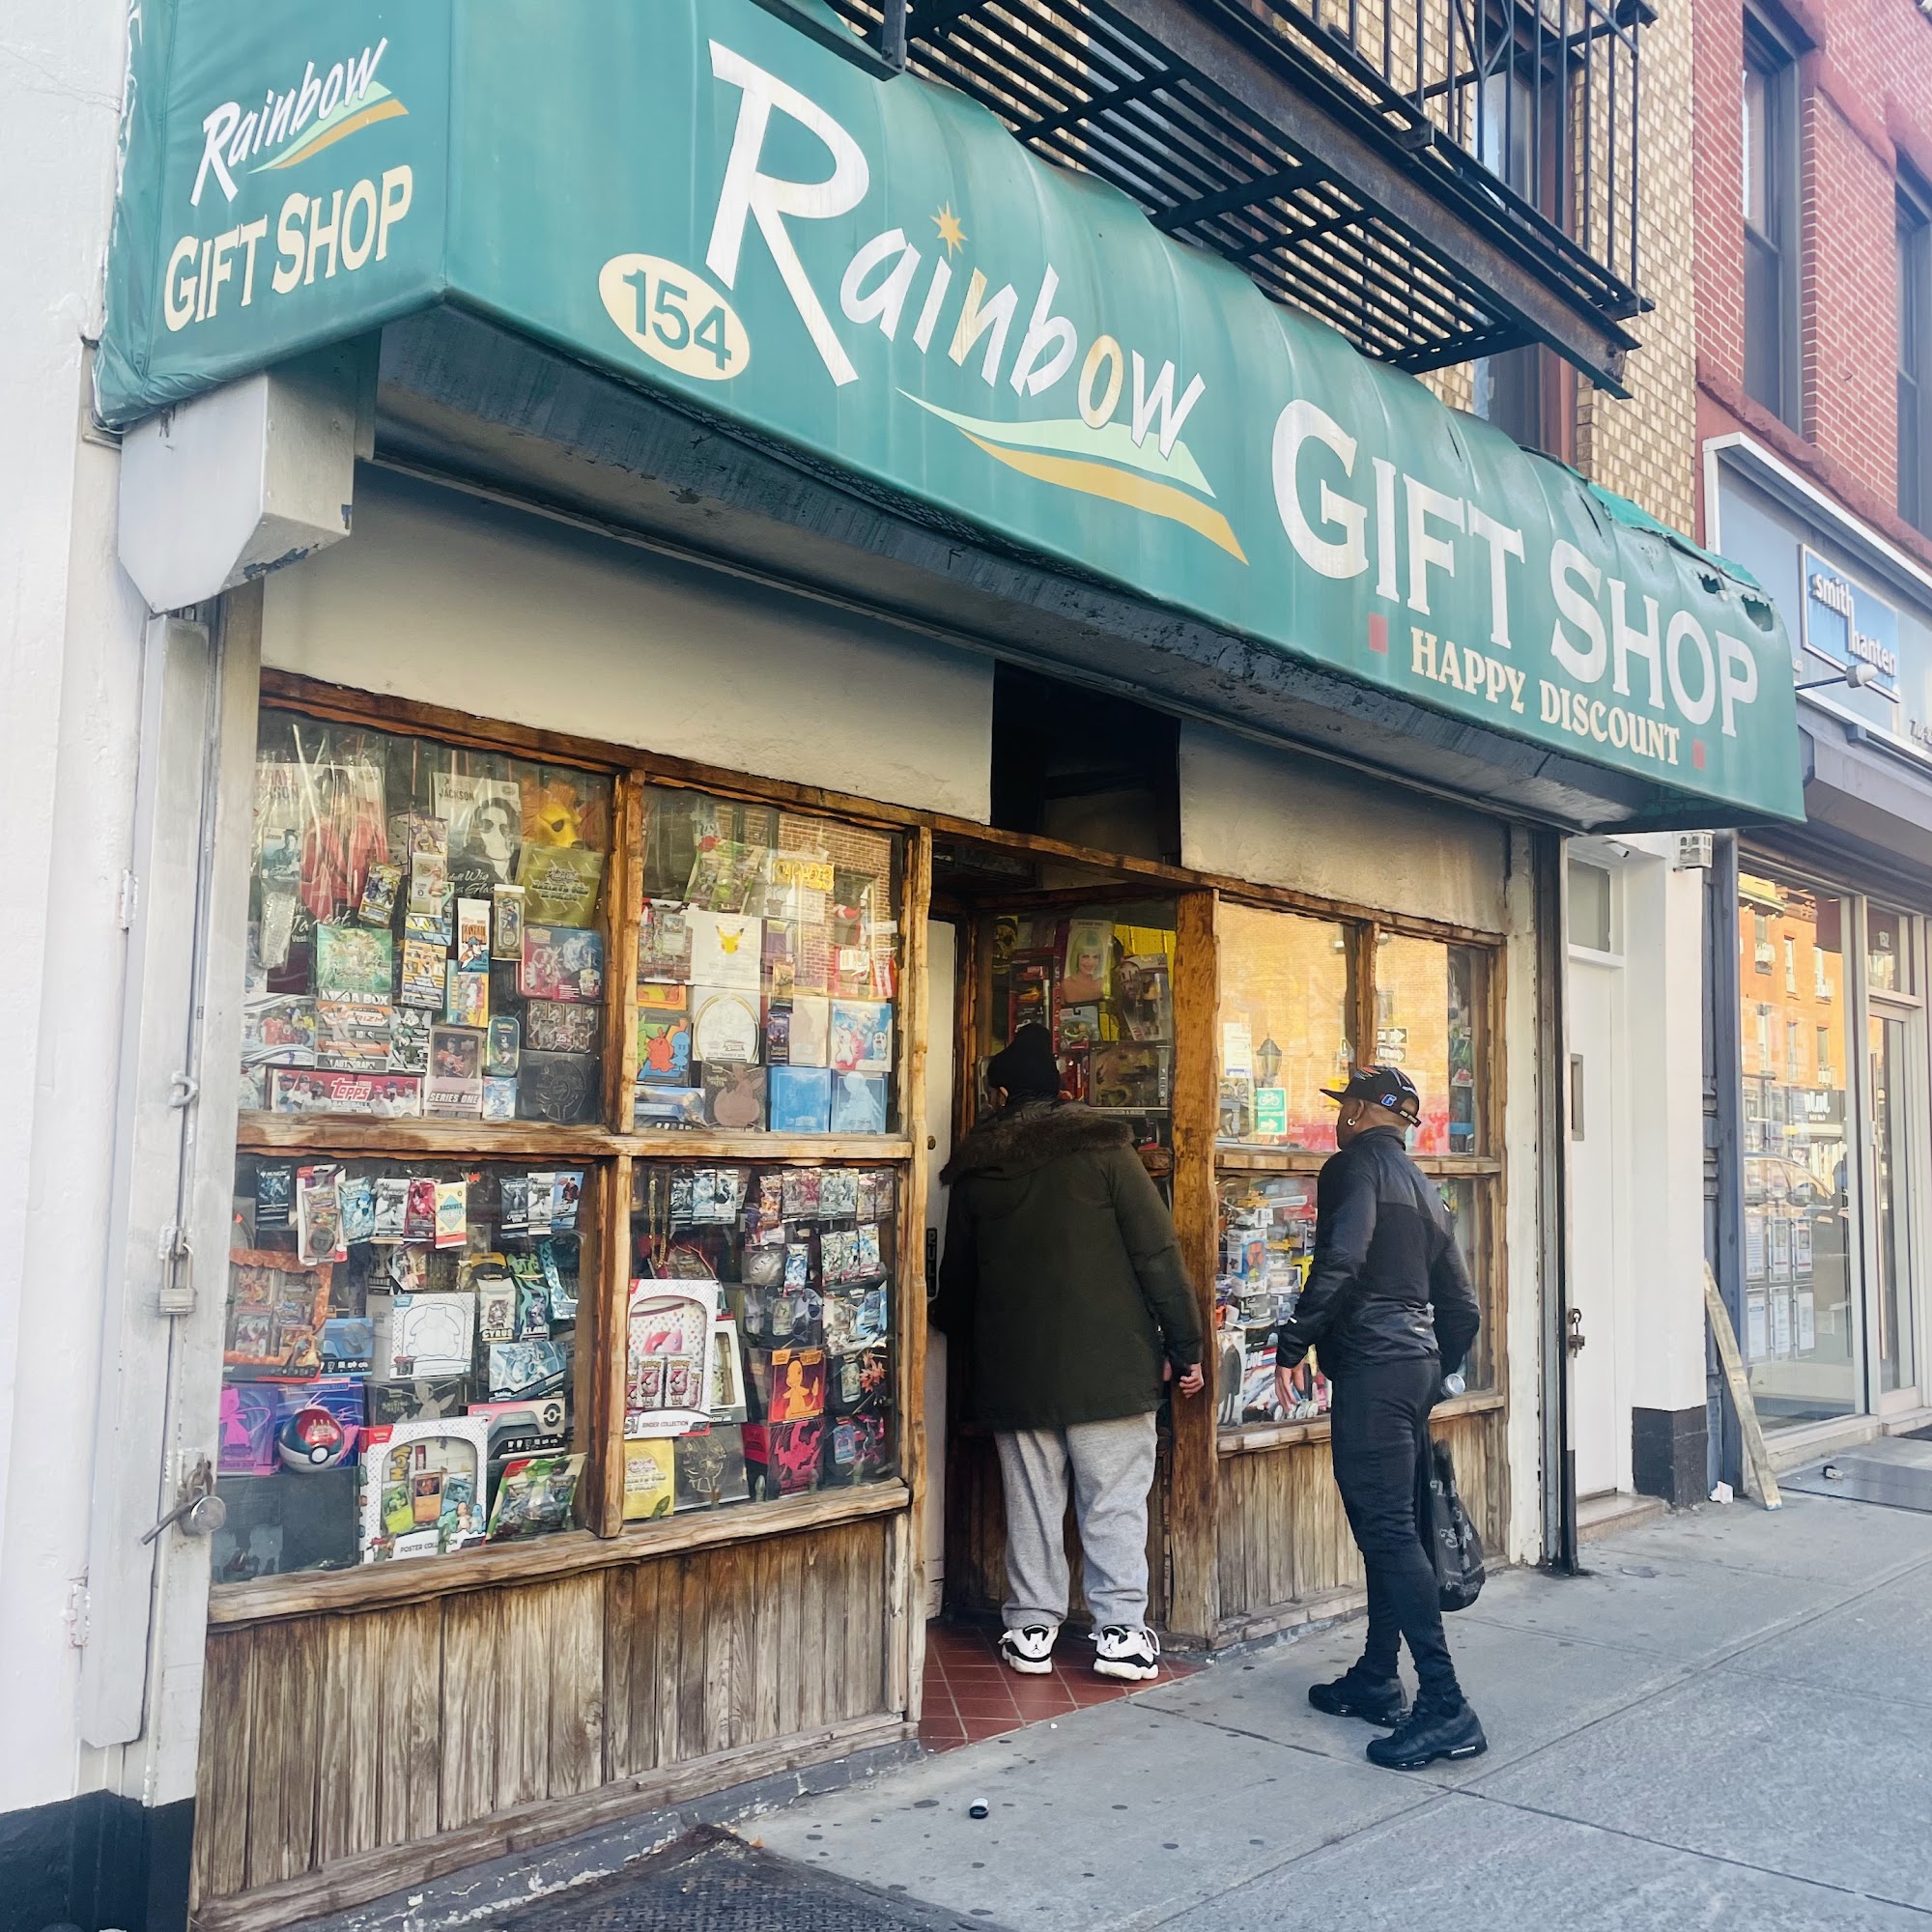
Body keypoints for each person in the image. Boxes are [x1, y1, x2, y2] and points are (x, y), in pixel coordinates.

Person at [934, 1024, 1203, 1683]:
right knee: (1113, 1500)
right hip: (1113, 1367)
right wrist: (1185, 1344)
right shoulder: (1108, 1152)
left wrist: (944, 1325)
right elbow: (1157, 1254)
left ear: (1001, 1094)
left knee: (1031, 1504)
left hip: (1016, 1371)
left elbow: (959, 1282)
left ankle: (1030, 1630)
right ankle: (1119, 1634)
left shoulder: (976, 1170)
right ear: (1064, 1093)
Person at [1275, 1065, 1486, 1770]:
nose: (1339, 1118)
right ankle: (1375, 1677)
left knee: (1390, 1532)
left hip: (1372, 1366)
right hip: (1412, 1366)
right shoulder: (1428, 1192)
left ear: (1363, 1113)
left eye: (1346, 1108)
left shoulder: (1352, 1167)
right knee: (1385, 1527)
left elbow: (1343, 1254)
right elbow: (1463, 1308)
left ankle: (1445, 1705)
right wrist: (1435, 1372)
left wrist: (1295, 1341)